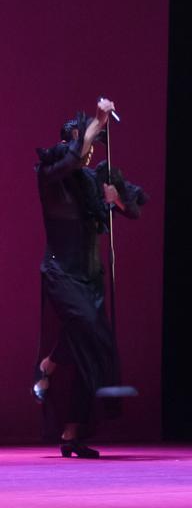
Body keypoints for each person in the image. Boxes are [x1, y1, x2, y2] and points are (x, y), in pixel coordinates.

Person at [33, 98, 145, 458]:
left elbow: (132, 210)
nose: (89, 153)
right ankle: (49, 367)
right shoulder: (50, 175)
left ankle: (71, 433)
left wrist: (117, 201)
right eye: (84, 144)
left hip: (89, 276)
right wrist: (97, 121)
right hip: (60, 272)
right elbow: (69, 161)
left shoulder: (90, 180)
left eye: (92, 146)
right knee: (90, 329)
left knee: (88, 349)